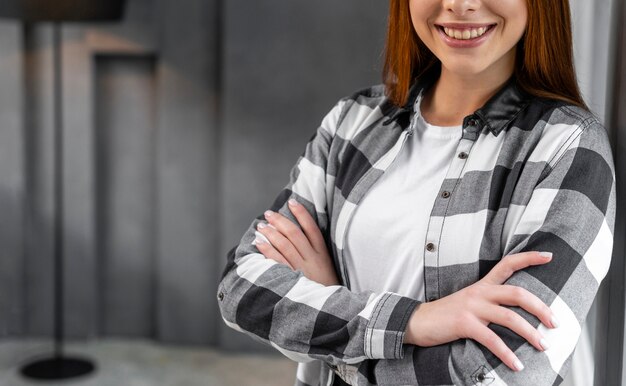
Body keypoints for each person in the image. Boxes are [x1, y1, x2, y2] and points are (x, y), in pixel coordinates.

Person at [217, 0, 616, 385]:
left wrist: (330, 322)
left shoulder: (568, 149)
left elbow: (493, 375)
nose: (460, 5)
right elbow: (240, 289)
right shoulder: (352, 122)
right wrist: (415, 321)